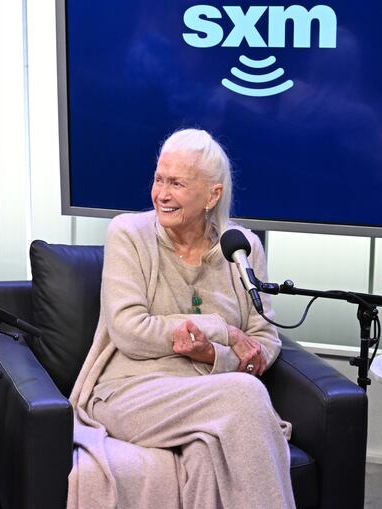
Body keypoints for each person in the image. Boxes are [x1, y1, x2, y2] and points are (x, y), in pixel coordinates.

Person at [67, 129, 294, 508]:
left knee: (210, 455)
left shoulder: (242, 247)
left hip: (210, 395)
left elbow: (265, 340)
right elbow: (129, 330)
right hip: (130, 392)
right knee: (247, 395)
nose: (161, 194)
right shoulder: (128, 233)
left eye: (177, 183)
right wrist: (224, 331)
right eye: (159, 179)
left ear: (213, 195)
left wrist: (213, 356)